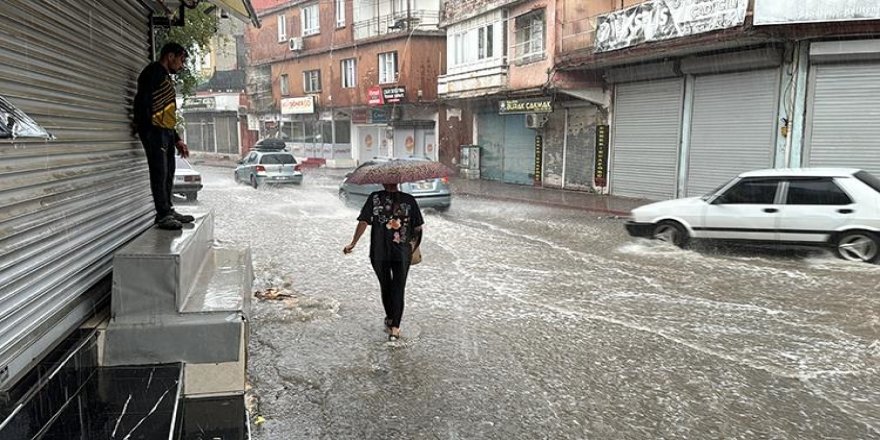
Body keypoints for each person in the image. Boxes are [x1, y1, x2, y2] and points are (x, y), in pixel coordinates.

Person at [343, 183, 423, 341]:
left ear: (383, 181)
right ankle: (395, 329)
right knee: (399, 288)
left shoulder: (375, 198)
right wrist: (412, 249)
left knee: (386, 286)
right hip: (402, 253)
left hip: (379, 252)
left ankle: (390, 318)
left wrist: (353, 243)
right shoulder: (409, 200)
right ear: (399, 181)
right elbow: (418, 229)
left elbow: (363, 222)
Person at [133, 42, 194, 230]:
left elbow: (165, 112)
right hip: (155, 132)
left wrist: (176, 139)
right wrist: (147, 128)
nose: (181, 65)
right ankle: (162, 214)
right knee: (159, 172)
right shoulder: (152, 73)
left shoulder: (165, 76)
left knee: (168, 172)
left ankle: (168, 209)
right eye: (181, 60)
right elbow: (142, 102)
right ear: (170, 56)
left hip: (165, 132)